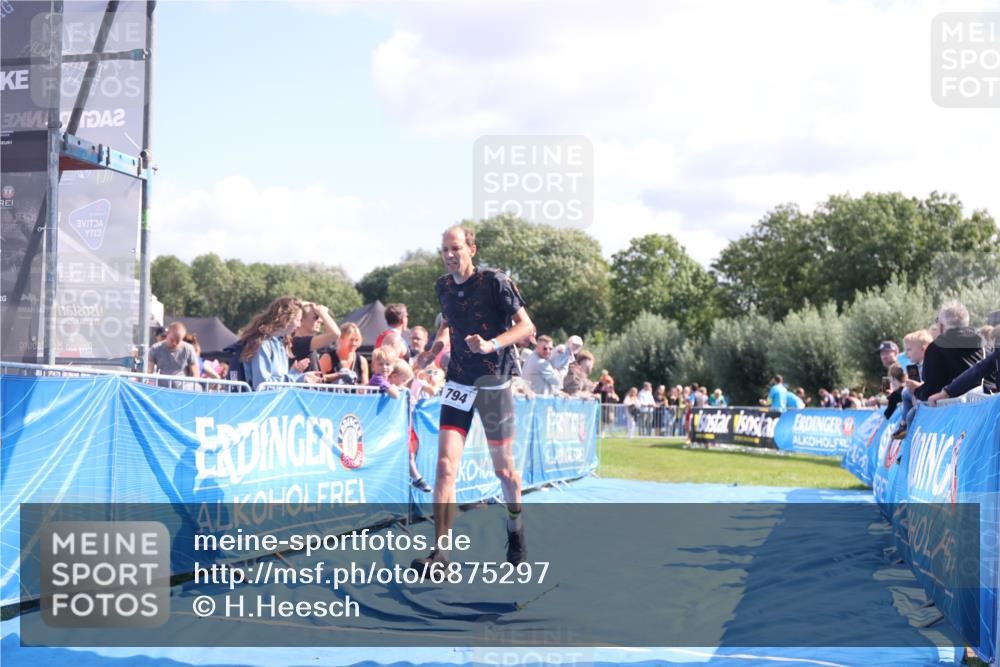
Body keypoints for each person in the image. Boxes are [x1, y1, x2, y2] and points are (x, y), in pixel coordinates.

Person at [410, 225, 535, 572]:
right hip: (459, 382)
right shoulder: (443, 286)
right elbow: (448, 323)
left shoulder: (495, 281)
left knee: (504, 471)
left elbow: (526, 327)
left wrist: (492, 343)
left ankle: (515, 527)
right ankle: (442, 554)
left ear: (472, 249)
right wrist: (432, 351)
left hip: (493, 380)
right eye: (445, 249)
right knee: (445, 466)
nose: (450, 255)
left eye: (456, 249)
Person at [237, 297, 322, 390]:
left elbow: (278, 380)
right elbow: (262, 385)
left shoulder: (281, 343)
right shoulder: (263, 344)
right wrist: (298, 379)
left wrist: (295, 373)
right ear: (286, 318)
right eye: (298, 320)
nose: (299, 325)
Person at [291, 302, 341, 370]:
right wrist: (323, 313)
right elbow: (335, 334)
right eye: (315, 317)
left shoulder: (307, 343)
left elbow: (334, 337)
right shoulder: (299, 343)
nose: (320, 321)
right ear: (301, 320)